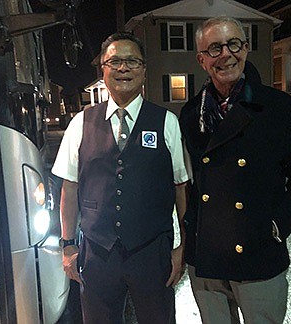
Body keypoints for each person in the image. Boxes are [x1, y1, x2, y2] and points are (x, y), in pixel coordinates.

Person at [179, 17, 291, 324]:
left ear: (245, 49)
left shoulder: (279, 108)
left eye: (234, 44)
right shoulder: (191, 114)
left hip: (258, 257)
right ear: (201, 60)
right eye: (214, 48)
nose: (226, 54)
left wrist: (275, 226)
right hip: (206, 259)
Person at [52, 32, 189, 324]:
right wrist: (67, 245)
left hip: (151, 252)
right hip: (97, 252)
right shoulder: (81, 123)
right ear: (102, 69)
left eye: (131, 61)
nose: (123, 68)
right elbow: (69, 187)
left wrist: (183, 246)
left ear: (143, 69)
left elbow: (181, 187)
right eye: (114, 61)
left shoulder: (166, 122)